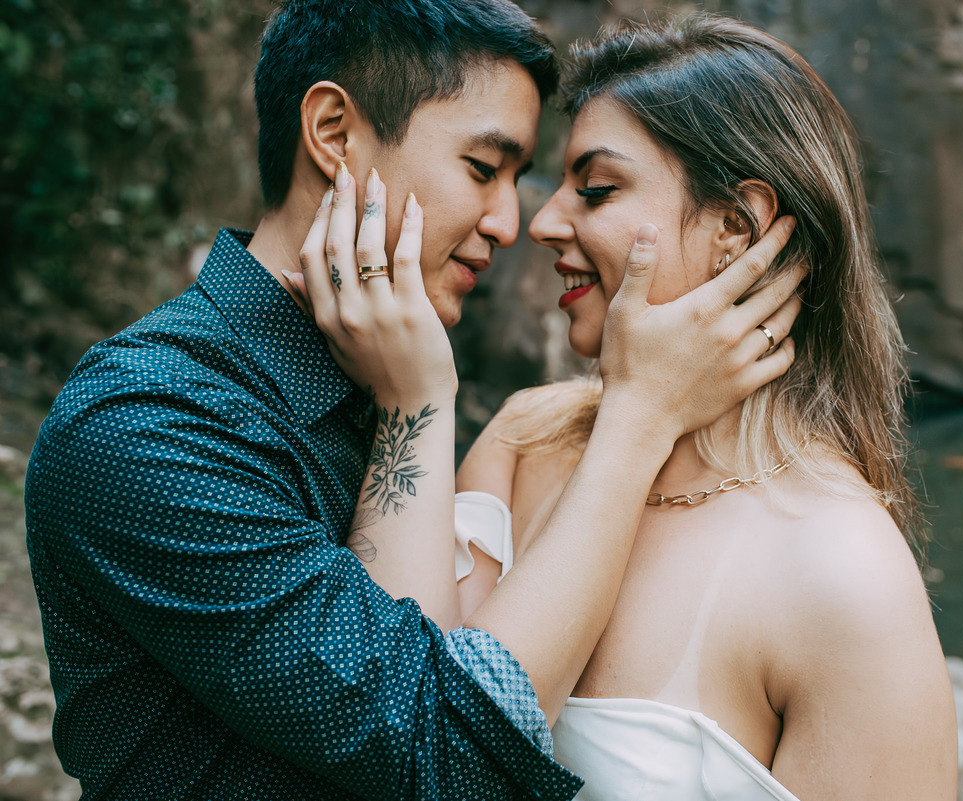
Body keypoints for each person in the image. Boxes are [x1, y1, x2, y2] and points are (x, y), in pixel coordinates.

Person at [23, 2, 803, 799]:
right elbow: (446, 750)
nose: (510, 223)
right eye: (481, 168)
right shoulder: (146, 424)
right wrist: (638, 413)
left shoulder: (377, 377)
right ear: (333, 134)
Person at [448, 14, 957, 800]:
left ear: (734, 228)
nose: (543, 223)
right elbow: (413, 751)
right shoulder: (522, 439)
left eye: (597, 189)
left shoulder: (845, 576)